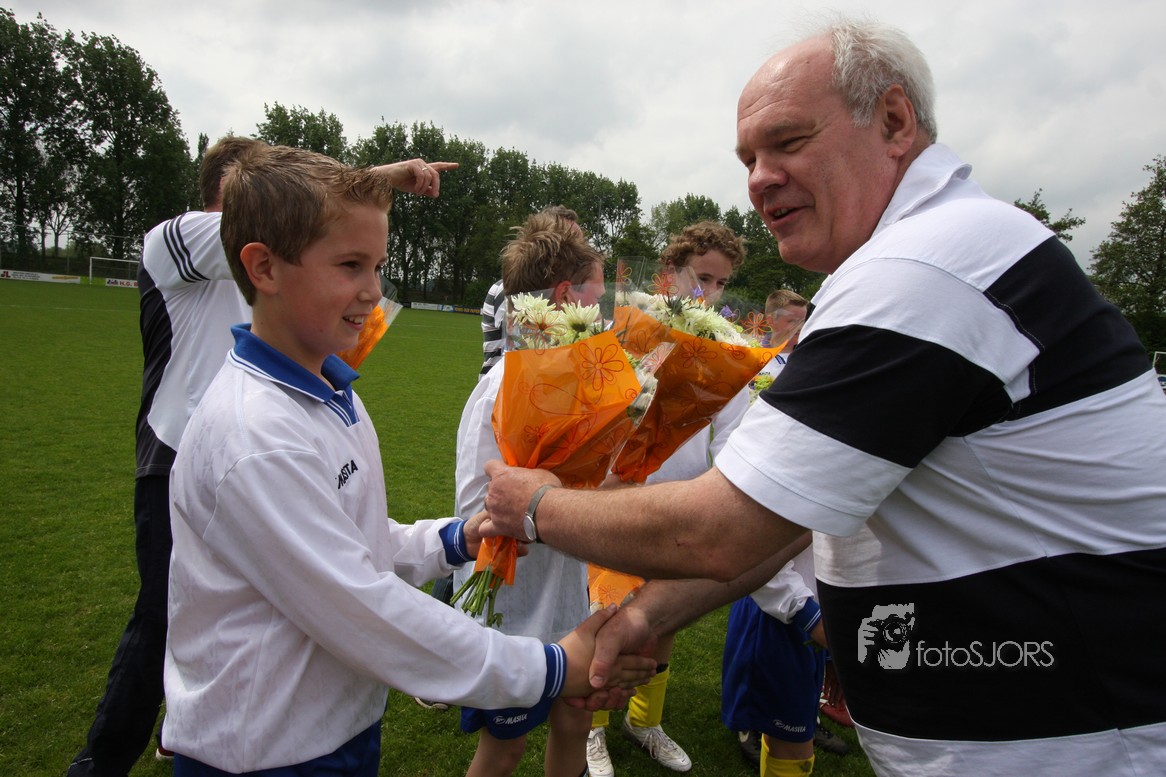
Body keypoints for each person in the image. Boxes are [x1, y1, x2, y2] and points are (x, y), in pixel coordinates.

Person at [480, 16, 1166, 776]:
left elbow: (723, 529)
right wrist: (650, 613)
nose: (759, 177)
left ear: (895, 121)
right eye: (749, 158)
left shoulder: (923, 269)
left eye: (788, 141)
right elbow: (797, 513)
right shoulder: (929, 255)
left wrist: (535, 505)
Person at [162, 143, 652, 775]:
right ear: (263, 268)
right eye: (350, 265)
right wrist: (552, 667)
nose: (374, 292)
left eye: (377, 266)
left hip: (331, 727)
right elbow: (362, 611)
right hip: (265, 751)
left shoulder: (328, 391)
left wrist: (453, 538)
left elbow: (353, 543)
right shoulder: (256, 435)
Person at [65, 135, 459, 777]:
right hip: (181, 453)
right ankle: (104, 761)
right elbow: (299, 218)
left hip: (283, 429)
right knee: (163, 611)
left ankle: (199, 718)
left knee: (252, 603)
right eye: (249, 188)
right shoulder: (173, 241)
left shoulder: (273, 269)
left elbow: (315, 219)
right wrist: (377, 175)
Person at [586, 220, 749, 777]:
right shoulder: (631, 324)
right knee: (606, 612)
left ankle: (644, 720)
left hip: (682, 501)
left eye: (721, 284)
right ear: (671, 272)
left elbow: (732, 432)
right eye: (701, 278)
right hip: (616, 496)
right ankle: (592, 729)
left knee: (664, 618)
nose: (710, 293)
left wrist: (720, 485)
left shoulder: (729, 347)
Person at [453, 211, 608, 777]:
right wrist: (541, 504)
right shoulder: (501, 386)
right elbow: (473, 504)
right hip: (510, 599)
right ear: (565, 296)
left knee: (575, 724)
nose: (602, 313)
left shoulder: (582, 382)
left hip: (568, 589)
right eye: (596, 298)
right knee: (505, 748)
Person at [479, 205, 582, 378]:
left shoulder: (567, 291)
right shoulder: (507, 289)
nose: (580, 250)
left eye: (580, 242)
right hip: (503, 389)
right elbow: (530, 344)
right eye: (571, 240)